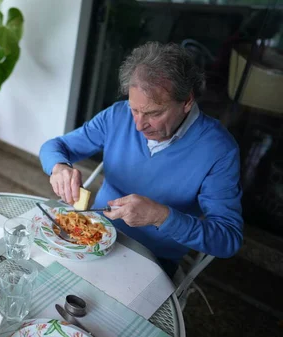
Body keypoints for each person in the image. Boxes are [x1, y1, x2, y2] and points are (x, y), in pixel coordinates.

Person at [39, 42, 243, 277]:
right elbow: (55, 146)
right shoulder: (117, 115)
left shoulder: (219, 150)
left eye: (154, 113)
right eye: (134, 109)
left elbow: (227, 238)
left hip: (152, 260)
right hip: (92, 234)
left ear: (187, 101)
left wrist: (161, 216)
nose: (138, 124)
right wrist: (59, 167)